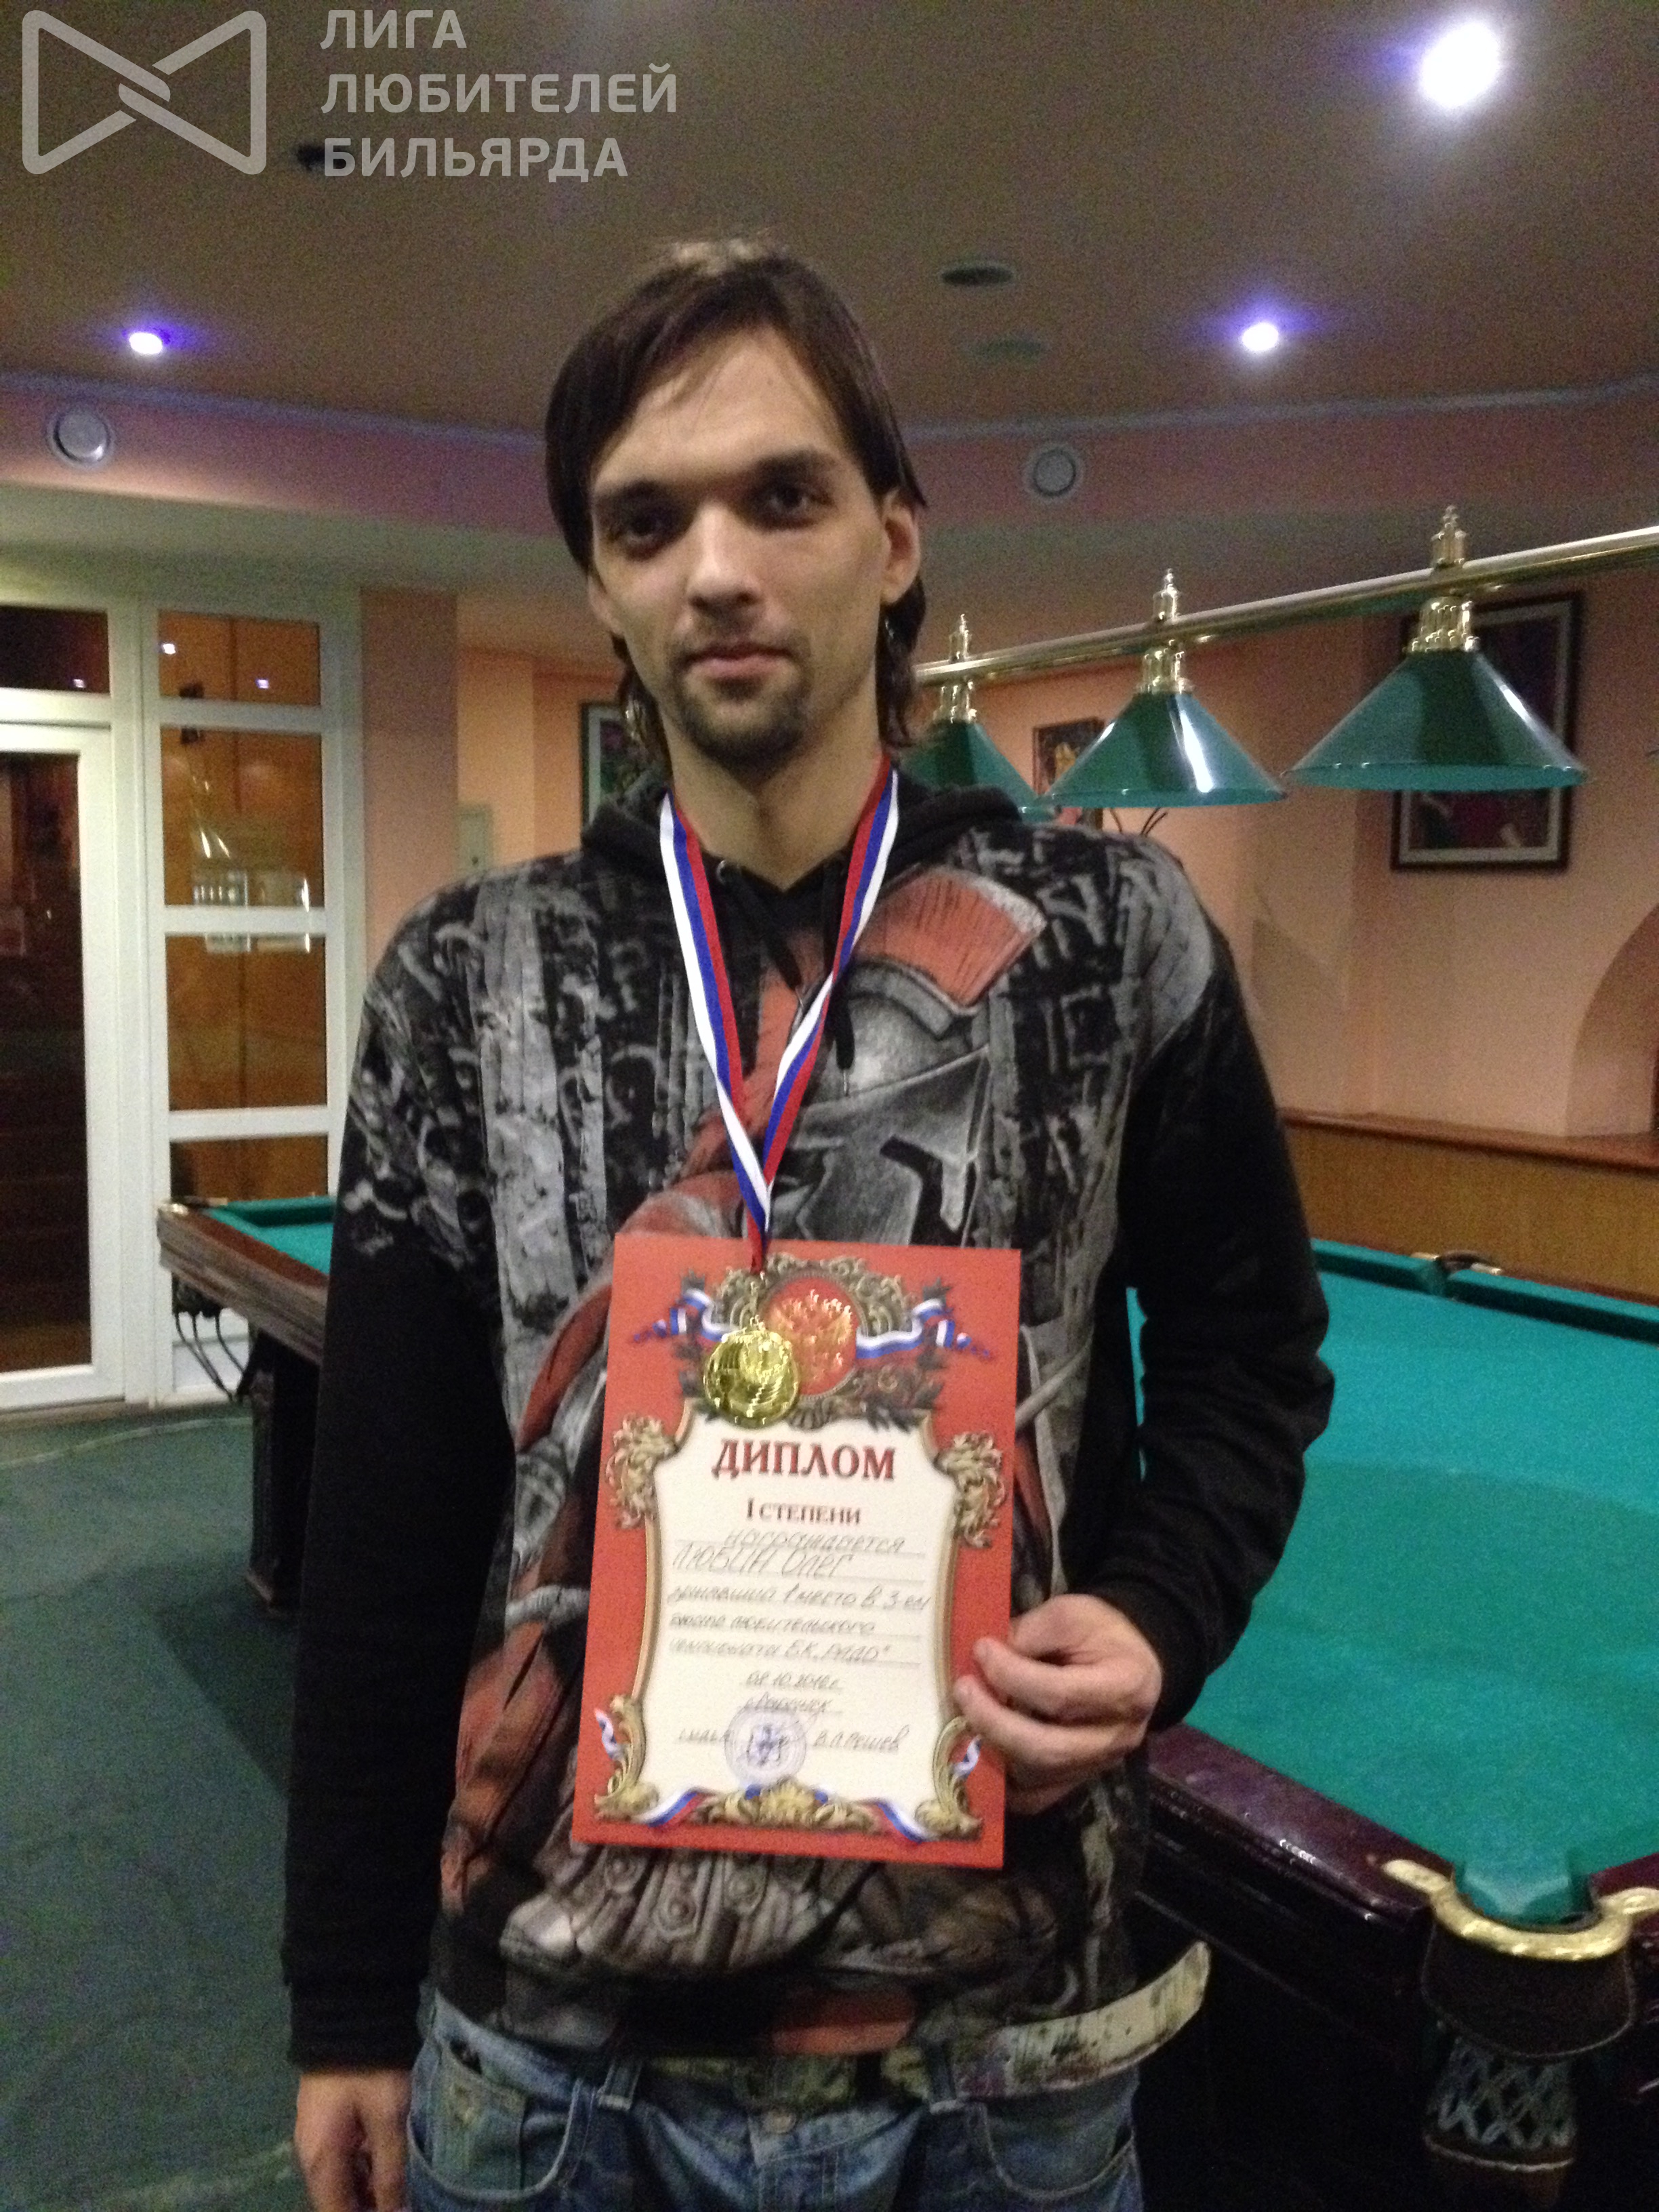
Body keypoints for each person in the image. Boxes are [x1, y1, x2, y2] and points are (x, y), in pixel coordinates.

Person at [285, 239, 1333, 2212]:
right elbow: (385, 1522)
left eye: (783, 496)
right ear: (598, 584)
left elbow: (1248, 1359)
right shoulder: (460, 976)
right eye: (646, 521)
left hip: (1004, 2055)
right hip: (550, 2066)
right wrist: (343, 2000)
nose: (716, 569)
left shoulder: (1116, 938)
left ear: (896, 539)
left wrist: (1161, 1610)